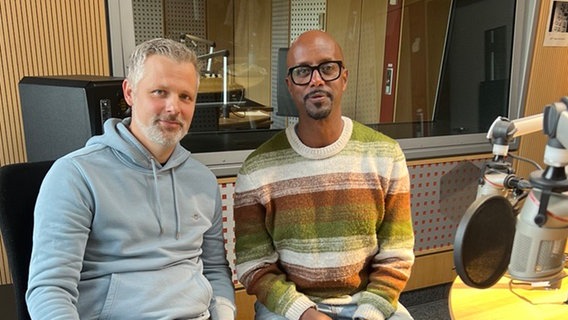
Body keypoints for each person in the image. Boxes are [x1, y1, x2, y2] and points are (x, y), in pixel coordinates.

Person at [26, 38, 236, 320]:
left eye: (185, 96)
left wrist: (225, 315)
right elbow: (50, 290)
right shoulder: (75, 175)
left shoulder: (203, 180)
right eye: (160, 92)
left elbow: (214, 269)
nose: (174, 107)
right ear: (129, 92)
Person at [233, 30, 415, 320]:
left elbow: (397, 254)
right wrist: (305, 313)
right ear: (290, 86)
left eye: (327, 68)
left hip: (366, 300)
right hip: (291, 307)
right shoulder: (258, 169)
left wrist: (370, 312)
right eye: (303, 71)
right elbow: (253, 264)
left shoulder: (386, 155)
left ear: (344, 77)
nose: (316, 80)